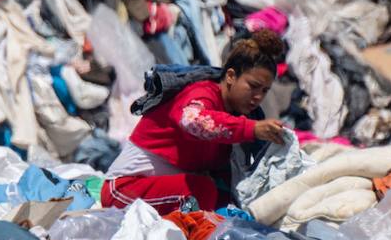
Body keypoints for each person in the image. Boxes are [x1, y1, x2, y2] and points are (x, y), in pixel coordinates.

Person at [101, 30, 289, 214]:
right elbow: (192, 121)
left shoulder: (233, 115)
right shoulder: (202, 94)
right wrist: (251, 128)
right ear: (231, 76)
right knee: (202, 191)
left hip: (160, 191)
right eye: (253, 86)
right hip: (122, 190)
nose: (258, 97)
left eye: (264, 91)